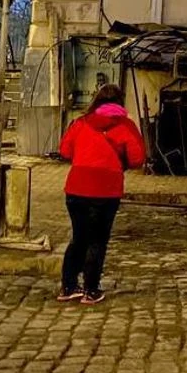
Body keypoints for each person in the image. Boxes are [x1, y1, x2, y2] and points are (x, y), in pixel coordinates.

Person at [57, 83, 145, 304]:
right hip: (106, 191)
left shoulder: (81, 123)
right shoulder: (126, 126)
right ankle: (91, 289)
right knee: (97, 240)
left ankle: (68, 286)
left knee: (79, 238)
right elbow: (137, 159)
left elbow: (65, 151)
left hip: (76, 189)